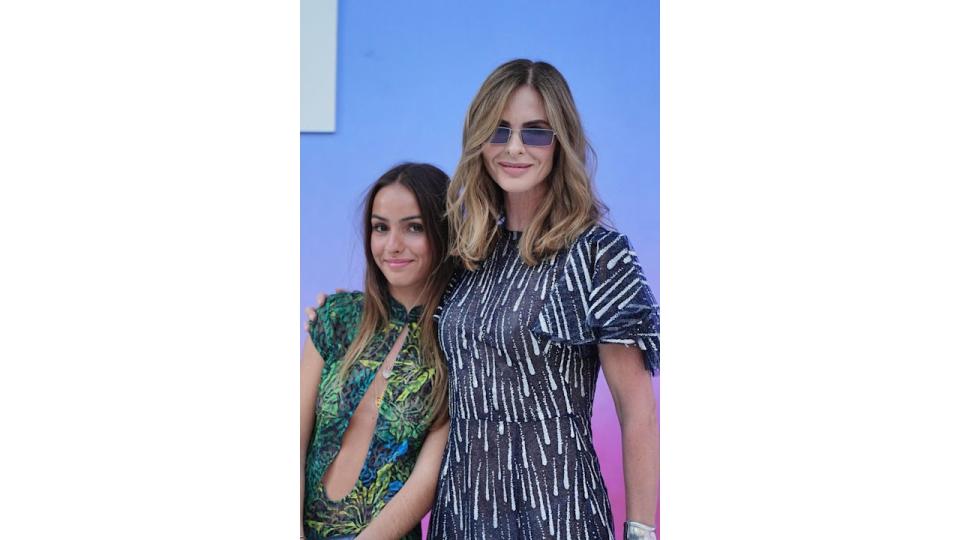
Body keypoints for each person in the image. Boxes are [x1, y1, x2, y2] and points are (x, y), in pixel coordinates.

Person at [309, 59, 660, 540]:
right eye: (500, 131)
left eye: (536, 132)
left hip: (556, 509)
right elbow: (403, 296)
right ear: (479, 141)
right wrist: (338, 315)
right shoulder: (469, 254)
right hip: (463, 510)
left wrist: (641, 533)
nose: (515, 147)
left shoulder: (599, 255)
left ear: (561, 142)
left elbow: (636, 412)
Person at [300, 163, 457, 540]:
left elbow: (426, 482)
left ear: (443, 231)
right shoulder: (337, 317)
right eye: (380, 227)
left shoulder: (457, 340)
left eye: (414, 227)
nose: (393, 245)